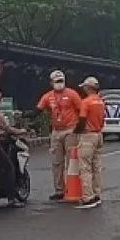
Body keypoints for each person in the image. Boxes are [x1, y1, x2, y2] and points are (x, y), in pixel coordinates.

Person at [28, 70, 82, 201]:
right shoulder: (48, 97)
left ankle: (72, 188)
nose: (59, 83)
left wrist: (80, 129)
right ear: (51, 82)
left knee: (72, 162)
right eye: (56, 81)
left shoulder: (72, 94)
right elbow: (38, 110)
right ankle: (59, 190)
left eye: (61, 81)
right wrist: (27, 117)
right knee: (56, 162)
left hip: (71, 130)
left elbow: (81, 110)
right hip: (56, 132)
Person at [73, 76, 105, 209]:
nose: (83, 89)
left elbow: (82, 119)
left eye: (85, 87)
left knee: (85, 167)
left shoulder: (86, 102)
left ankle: (88, 197)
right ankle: (97, 194)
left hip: (88, 136)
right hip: (99, 134)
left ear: (88, 88)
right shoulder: (100, 102)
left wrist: (75, 132)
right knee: (96, 167)